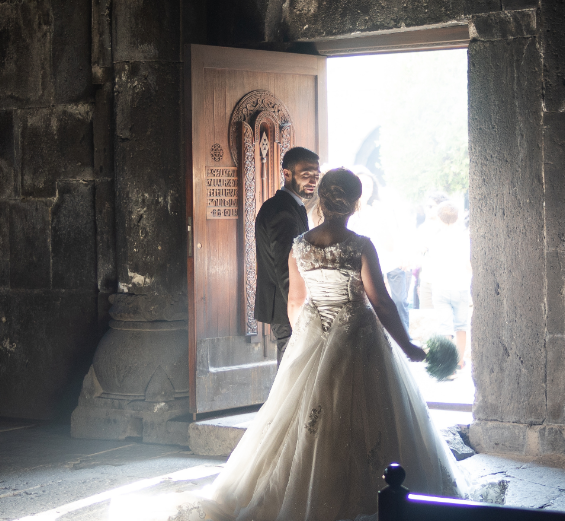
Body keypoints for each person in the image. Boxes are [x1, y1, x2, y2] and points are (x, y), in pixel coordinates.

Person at [109, 169, 470, 521]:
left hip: (314, 334)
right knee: (372, 418)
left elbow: (295, 303)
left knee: (308, 419)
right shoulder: (360, 246)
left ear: (322, 199)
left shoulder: (301, 246)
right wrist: (407, 345)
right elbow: (382, 302)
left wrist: (307, 342)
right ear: (356, 204)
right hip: (359, 336)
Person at [254, 146, 320, 364]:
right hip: (287, 309)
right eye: (306, 175)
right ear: (287, 173)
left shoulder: (290, 206)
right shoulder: (282, 211)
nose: (312, 180)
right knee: (289, 376)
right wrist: (298, 313)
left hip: (288, 307)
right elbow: (285, 267)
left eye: (316, 176)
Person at [421, 200, 472, 369]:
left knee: (445, 327)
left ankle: (447, 362)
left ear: (439, 218)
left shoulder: (434, 239)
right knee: (461, 326)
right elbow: (468, 264)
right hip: (461, 287)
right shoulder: (464, 237)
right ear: (458, 218)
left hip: (440, 287)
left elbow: (430, 264)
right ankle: (459, 361)